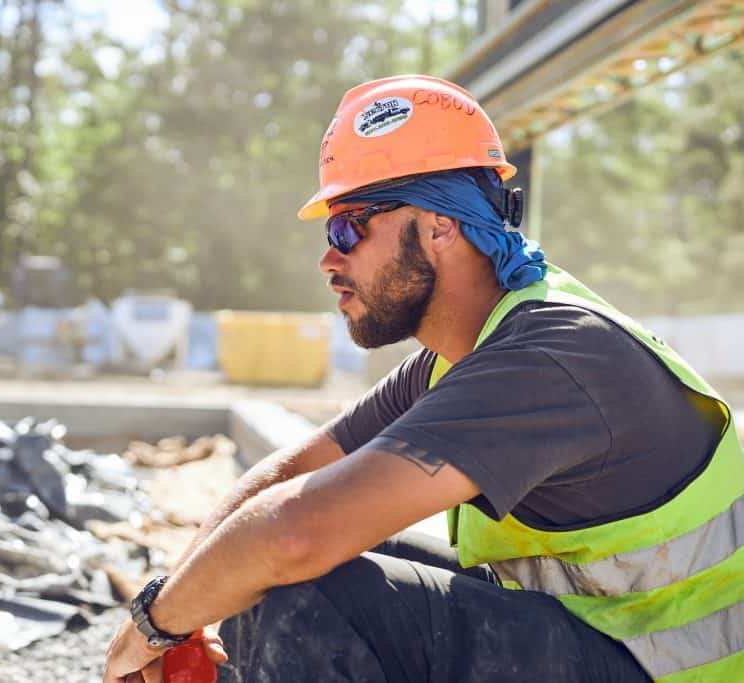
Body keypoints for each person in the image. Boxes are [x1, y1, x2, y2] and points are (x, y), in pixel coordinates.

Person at [103, 75, 744, 683]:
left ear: (441, 225)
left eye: (348, 227)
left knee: (310, 585)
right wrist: (172, 603)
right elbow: (281, 480)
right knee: (260, 565)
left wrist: (155, 626)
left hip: (670, 669)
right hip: (598, 635)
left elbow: (296, 531)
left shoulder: (553, 358)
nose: (328, 258)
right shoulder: (460, 356)